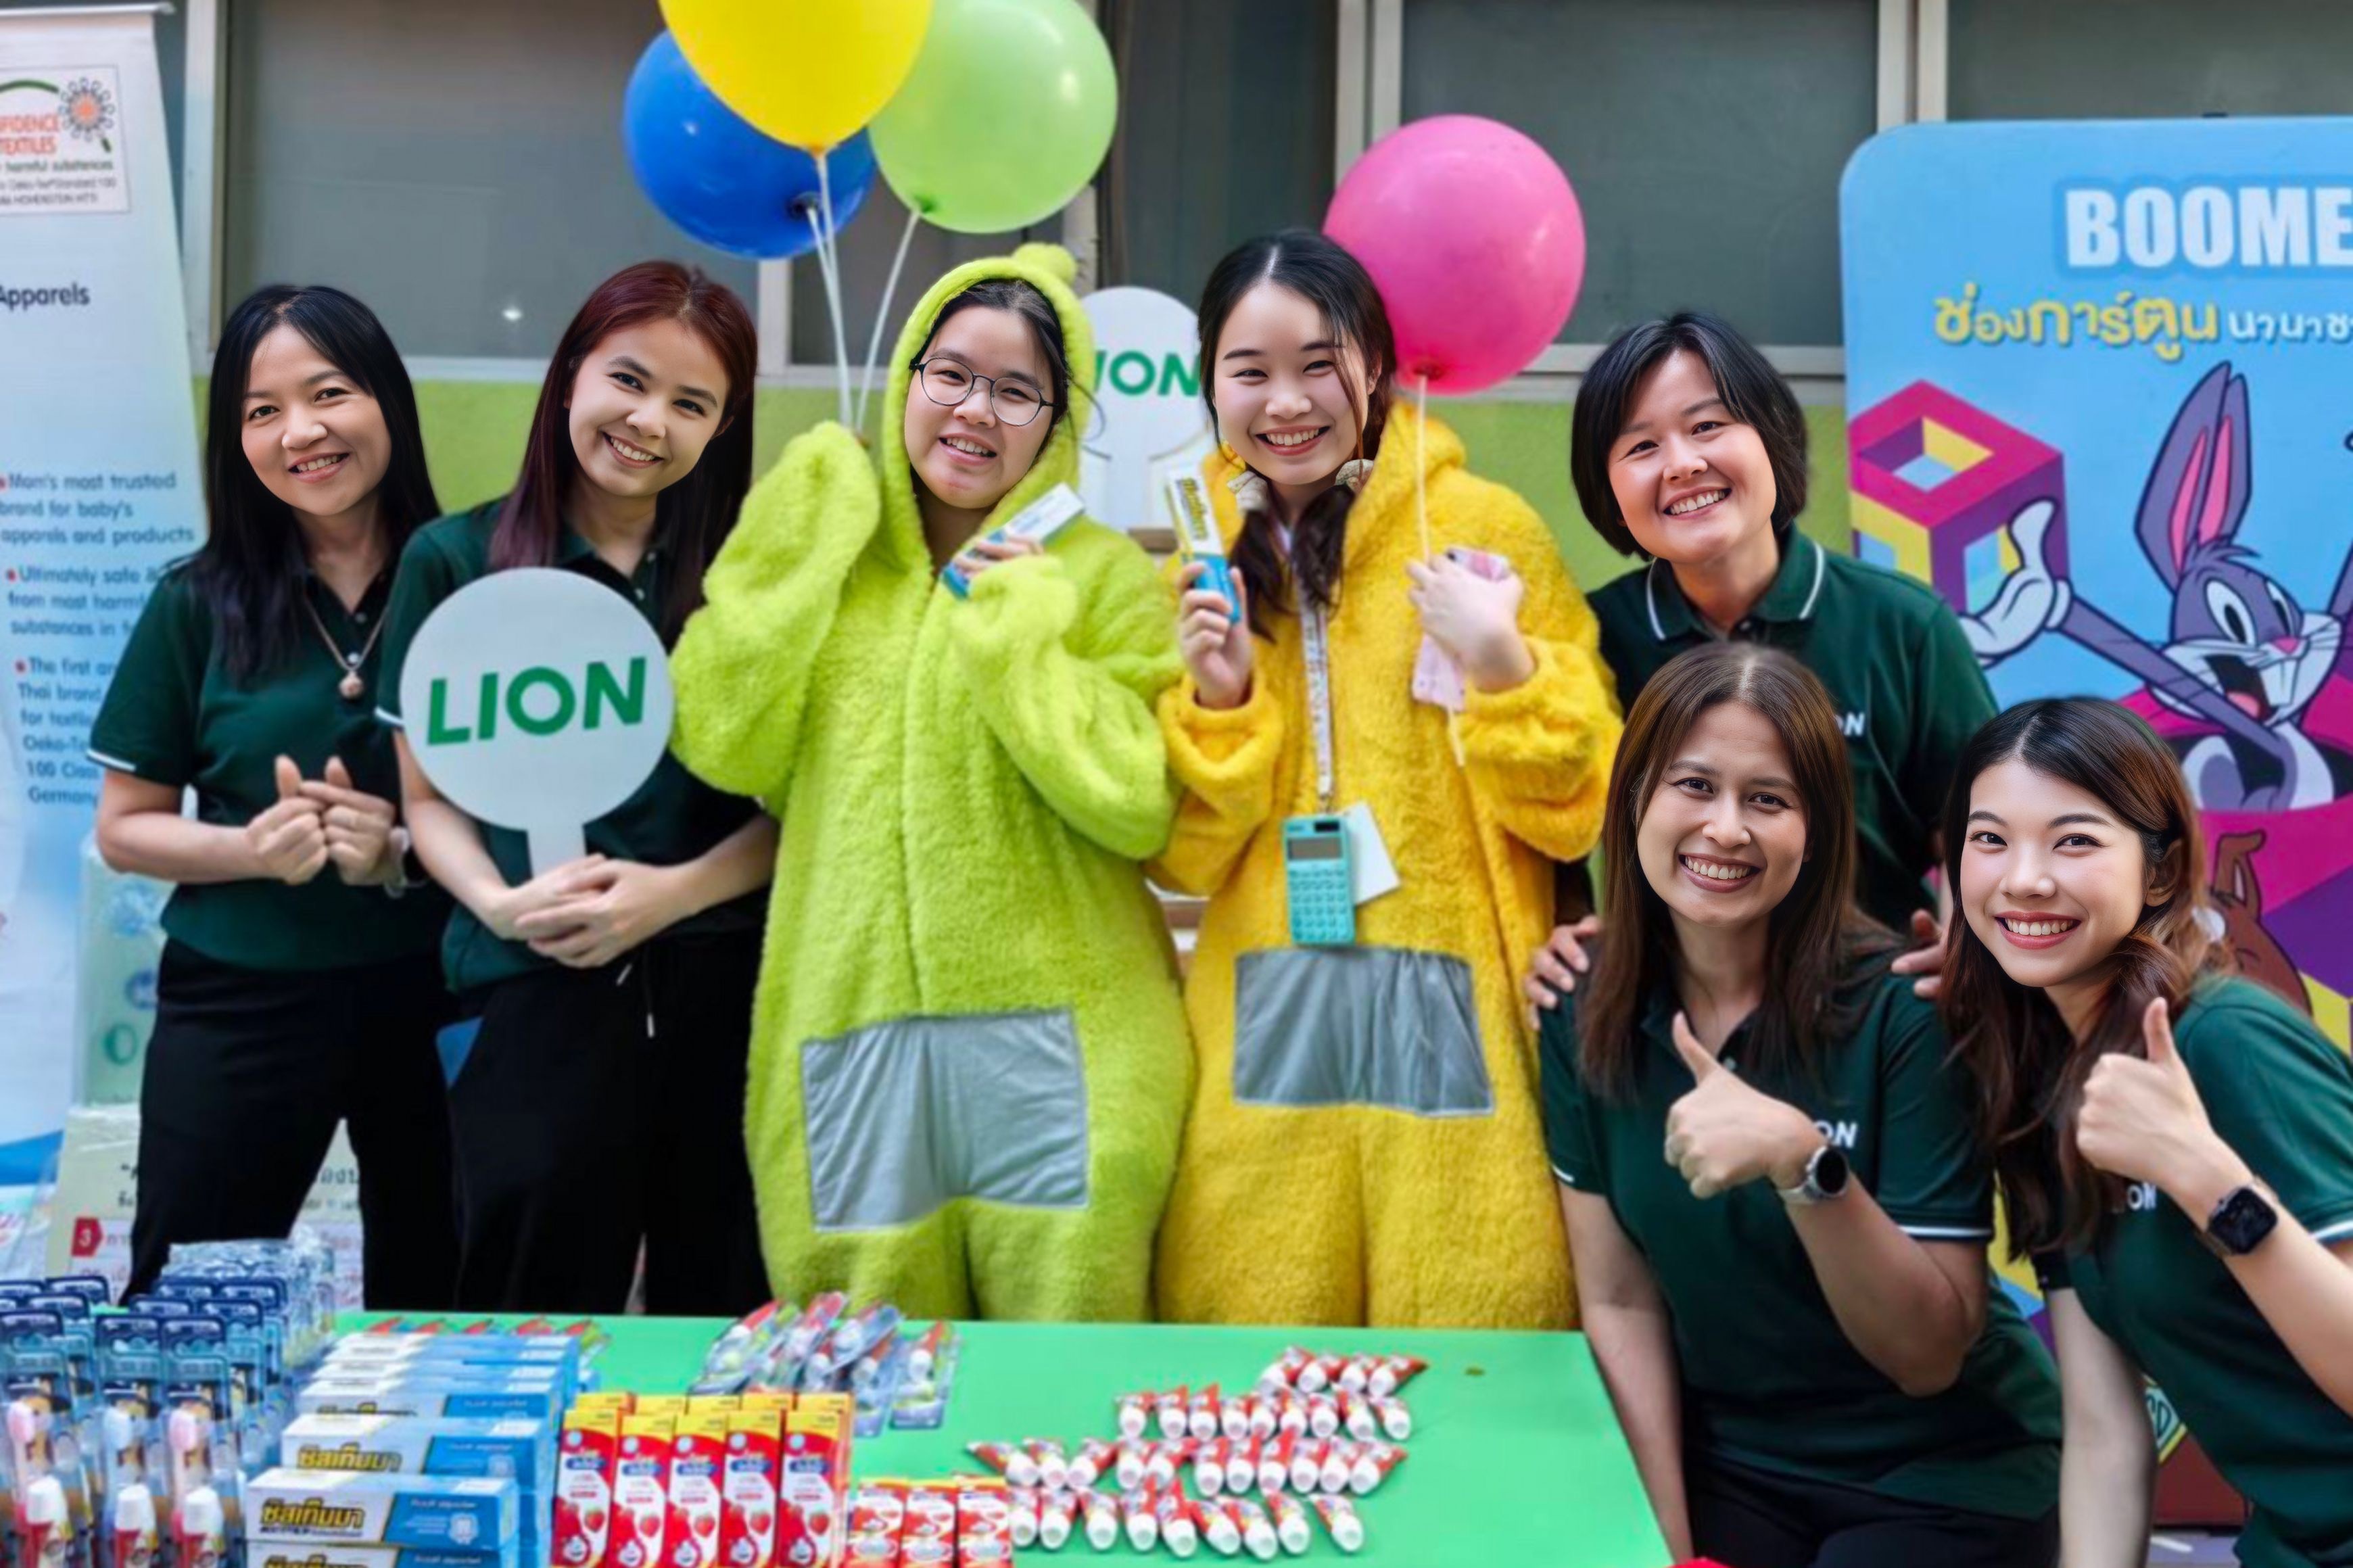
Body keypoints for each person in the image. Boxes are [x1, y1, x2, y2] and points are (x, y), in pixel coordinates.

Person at [669, 244, 1189, 1320]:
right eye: (950, 373)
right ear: (906, 376)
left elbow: (1138, 802)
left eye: (1016, 390)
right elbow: (723, 740)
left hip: (1062, 1041)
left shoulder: (1104, 574)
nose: (975, 410)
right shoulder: (841, 560)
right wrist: (792, 547)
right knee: (865, 1369)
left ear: (1057, 422)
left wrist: (1020, 635)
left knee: (1060, 1365)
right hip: (854, 1034)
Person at [1151, 229, 1620, 1328]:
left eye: (1318, 364)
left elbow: (1577, 807)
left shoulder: (1480, 531)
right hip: (1268, 1011)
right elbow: (1184, 853)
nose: (1286, 402)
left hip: (1458, 1005)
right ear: (1209, 383)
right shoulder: (1201, 566)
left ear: (1374, 366)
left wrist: (1501, 662)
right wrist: (1221, 697)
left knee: (1475, 1340)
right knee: (1257, 1352)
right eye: (1250, 370)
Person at [1544, 641, 2060, 1566]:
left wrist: (1803, 1162)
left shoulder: (1906, 1007)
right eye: (1694, 785)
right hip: (1734, 1468)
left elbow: (1928, 1356)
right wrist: (1663, 1547)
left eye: (1768, 799)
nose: (1725, 828)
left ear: (1817, 829)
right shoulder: (1580, 1003)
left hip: (1943, 1470)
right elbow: (1620, 1301)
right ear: (1633, 801)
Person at [379, 261, 773, 1314]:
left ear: (723, 426)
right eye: (628, 380)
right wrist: (503, 904)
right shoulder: (453, 560)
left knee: (719, 1313)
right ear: (569, 378)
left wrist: (672, 893)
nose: (649, 421)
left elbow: (804, 807)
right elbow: (429, 799)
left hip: (720, 989)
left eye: (691, 403)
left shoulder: (750, 576)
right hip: (529, 987)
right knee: (532, 1315)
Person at [90, 284, 456, 1304]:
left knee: (449, 1298)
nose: (301, 431)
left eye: (328, 393)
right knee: (188, 1299)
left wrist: (402, 850)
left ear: (386, 398)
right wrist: (254, 849)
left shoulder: (474, 579)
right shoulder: (195, 601)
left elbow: (535, 807)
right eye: (262, 410)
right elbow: (126, 829)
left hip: (443, 991)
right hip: (240, 998)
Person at [1943, 697, 2353, 1568]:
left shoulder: (2227, 1042)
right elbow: (2104, 1433)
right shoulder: (2043, 1090)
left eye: (2074, 841)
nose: (2025, 879)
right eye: (1990, 840)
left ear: (2160, 873)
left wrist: (2208, 1181)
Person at [1527, 312, 1991, 1014]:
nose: (1682, 463)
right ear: (1610, 496)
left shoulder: (1902, 624)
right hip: (1669, 1023)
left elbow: (1980, 821)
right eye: (1643, 445)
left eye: (1708, 426)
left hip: (1875, 1017)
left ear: (1772, 439)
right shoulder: (1588, 640)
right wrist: (1566, 923)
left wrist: (1970, 936)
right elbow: (1550, 810)